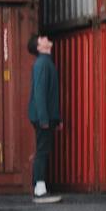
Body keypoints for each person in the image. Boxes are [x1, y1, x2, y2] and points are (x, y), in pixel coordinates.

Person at [26, 33, 61, 200]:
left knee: (43, 150)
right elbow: (39, 93)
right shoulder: (42, 64)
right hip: (42, 116)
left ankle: (39, 186)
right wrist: (44, 119)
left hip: (46, 116)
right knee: (42, 151)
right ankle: (39, 189)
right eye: (42, 39)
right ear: (39, 47)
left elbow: (50, 95)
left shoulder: (46, 62)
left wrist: (56, 118)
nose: (47, 38)